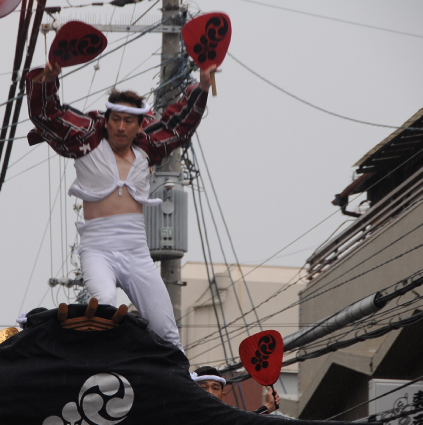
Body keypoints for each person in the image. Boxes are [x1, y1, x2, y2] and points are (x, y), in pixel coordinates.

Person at [25, 61, 216, 352]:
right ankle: (100, 368)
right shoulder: (87, 143)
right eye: (115, 119)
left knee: (166, 330)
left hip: (136, 250)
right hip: (98, 248)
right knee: (103, 309)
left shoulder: (148, 149)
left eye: (128, 121)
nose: (121, 127)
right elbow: (48, 117)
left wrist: (202, 86)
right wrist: (47, 81)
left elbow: (180, 127)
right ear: (106, 120)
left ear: (140, 125)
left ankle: (177, 376)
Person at [191, 366, 281, 414]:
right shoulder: (185, 417)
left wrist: (269, 406)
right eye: (204, 388)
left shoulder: (227, 419)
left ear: (223, 396)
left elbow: (247, 420)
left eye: (215, 388)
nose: (210, 392)